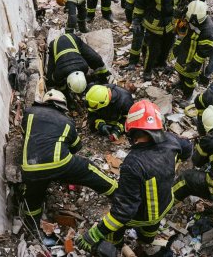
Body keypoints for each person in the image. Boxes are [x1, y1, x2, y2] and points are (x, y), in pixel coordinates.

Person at [76, 100, 192, 251]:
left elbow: (124, 211)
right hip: (165, 205)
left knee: (115, 228)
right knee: (149, 233)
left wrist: (95, 233)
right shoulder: (172, 140)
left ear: (132, 130)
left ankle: (117, 246)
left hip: (141, 217)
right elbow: (188, 148)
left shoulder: (133, 163)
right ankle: (146, 240)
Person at [20, 90, 118, 228]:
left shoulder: (29, 113)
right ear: (63, 106)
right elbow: (76, 147)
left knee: (33, 196)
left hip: (30, 167)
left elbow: (26, 136)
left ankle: (32, 226)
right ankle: (116, 191)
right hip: (59, 163)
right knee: (88, 168)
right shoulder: (67, 121)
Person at [132, 0, 182, 81]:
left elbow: (182, 1)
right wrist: (136, 20)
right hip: (153, 24)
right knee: (152, 49)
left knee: (167, 46)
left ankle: (161, 63)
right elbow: (139, 3)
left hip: (170, 23)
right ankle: (147, 70)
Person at [45, 34, 110, 106]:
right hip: (55, 44)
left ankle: (103, 77)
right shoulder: (59, 73)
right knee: (50, 81)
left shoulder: (84, 66)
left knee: (96, 59)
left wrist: (103, 77)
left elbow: (94, 60)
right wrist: (67, 96)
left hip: (73, 39)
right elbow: (59, 84)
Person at [173, 0, 213, 101]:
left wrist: (193, 64)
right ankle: (181, 82)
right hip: (185, 50)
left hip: (194, 57)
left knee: (190, 78)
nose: (191, 23)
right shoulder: (190, 14)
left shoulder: (208, 30)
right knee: (180, 69)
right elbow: (183, 29)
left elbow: (204, 51)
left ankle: (187, 96)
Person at [124, 0, 161, 69]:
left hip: (154, 14)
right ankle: (133, 61)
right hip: (140, 10)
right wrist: (131, 18)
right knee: (137, 36)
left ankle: (147, 57)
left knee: (150, 38)